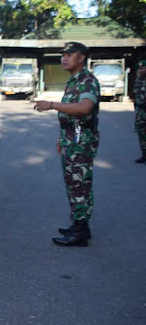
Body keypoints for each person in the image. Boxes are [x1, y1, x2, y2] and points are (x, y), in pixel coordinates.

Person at [34, 42, 100, 247]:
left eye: (69, 54)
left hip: (81, 144)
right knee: (73, 184)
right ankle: (79, 225)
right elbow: (71, 115)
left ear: (81, 57)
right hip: (72, 141)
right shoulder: (74, 81)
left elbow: (84, 108)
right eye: (63, 55)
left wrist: (52, 105)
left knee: (80, 185)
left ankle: (80, 232)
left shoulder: (87, 81)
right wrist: (62, 138)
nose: (64, 58)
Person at [133, 60, 146, 163]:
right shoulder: (138, 81)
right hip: (140, 112)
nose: (141, 70)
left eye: (143, 68)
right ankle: (144, 155)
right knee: (142, 135)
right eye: (139, 68)